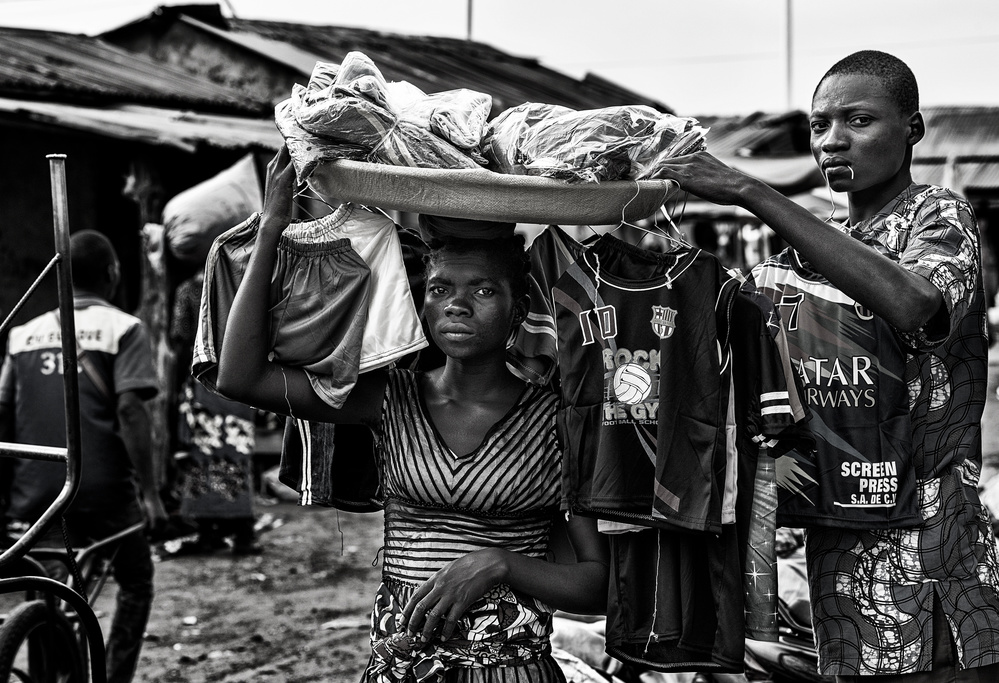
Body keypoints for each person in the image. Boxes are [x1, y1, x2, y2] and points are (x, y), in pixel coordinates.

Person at [654, 50, 999, 682]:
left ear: (913, 130)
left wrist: (750, 191)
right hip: (839, 559)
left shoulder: (937, 215)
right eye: (819, 124)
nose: (831, 140)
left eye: (858, 120)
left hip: (930, 563)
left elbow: (914, 304)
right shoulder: (813, 253)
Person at [215, 145, 609, 682]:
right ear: (423, 301)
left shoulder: (557, 417)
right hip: (401, 669)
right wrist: (271, 231)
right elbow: (240, 378)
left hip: (511, 671)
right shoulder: (390, 398)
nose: (457, 305)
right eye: (441, 288)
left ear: (518, 310)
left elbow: (595, 584)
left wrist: (499, 564)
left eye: (483, 290)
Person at [0, 230, 167, 683]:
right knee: (136, 580)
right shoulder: (124, 329)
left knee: (50, 587)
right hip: (103, 492)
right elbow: (131, 412)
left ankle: (59, 667)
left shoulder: (21, 334)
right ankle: (111, 677)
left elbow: (3, 412)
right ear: (112, 274)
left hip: (38, 493)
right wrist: (151, 495)